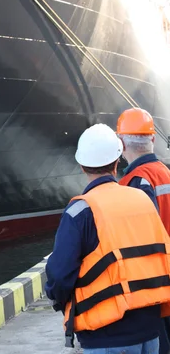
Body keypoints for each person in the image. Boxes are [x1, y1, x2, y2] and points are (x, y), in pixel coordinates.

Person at [45, 123, 170, 354]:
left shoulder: (80, 212)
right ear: (117, 161)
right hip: (151, 330)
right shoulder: (144, 200)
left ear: (82, 166)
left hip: (106, 336)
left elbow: (59, 275)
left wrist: (57, 299)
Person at [117, 107, 170, 354]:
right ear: (153, 138)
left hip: (154, 291)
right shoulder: (165, 173)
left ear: (120, 142)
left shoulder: (135, 182)